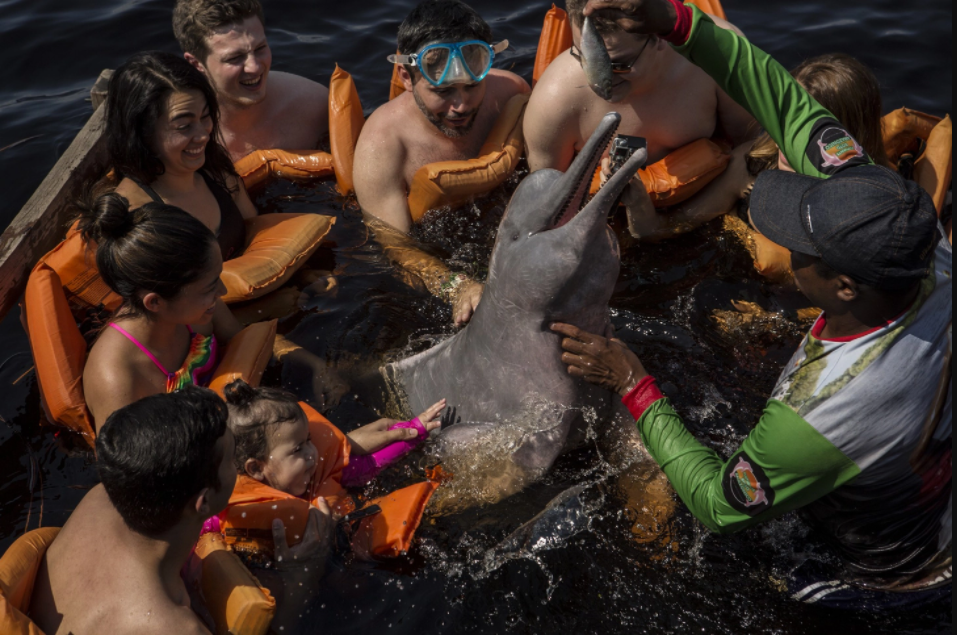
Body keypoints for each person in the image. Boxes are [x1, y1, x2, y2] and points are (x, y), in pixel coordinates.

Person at [553, 0, 951, 610]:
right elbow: (784, 101)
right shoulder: (912, 237)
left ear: (845, 287)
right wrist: (672, 20)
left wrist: (633, 383)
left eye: (800, 244)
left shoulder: (823, 414)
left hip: (878, 573)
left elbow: (720, 507)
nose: (787, 247)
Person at [27, 387, 331, 634]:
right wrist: (303, 577)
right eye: (231, 459)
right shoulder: (175, 627)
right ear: (204, 502)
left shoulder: (98, 500)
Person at [80, 193, 345, 430]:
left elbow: (241, 338)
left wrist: (314, 364)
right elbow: (132, 474)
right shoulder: (117, 379)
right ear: (155, 302)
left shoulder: (193, 309)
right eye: (209, 287)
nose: (221, 291)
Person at [353, 0, 530, 326]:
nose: (461, 105)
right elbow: (397, 250)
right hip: (437, 252)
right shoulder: (382, 145)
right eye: (444, 91)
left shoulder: (509, 93)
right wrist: (456, 287)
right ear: (406, 76)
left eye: (473, 86)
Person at [523, 0, 755, 219]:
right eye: (585, 58)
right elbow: (544, 209)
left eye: (618, 65)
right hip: (607, 220)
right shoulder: (554, 102)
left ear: (661, 35)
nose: (596, 79)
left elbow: (750, 148)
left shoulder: (717, 56)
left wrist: (673, 225)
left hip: (707, 204)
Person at [625, 52, 892, 241]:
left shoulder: (875, 195)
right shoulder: (752, 164)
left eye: (810, 133)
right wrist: (637, 202)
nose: (786, 140)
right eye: (783, 120)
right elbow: (667, 228)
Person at [109, 51, 257, 261]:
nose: (203, 136)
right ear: (143, 133)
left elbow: (259, 236)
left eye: (205, 117)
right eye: (184, 126)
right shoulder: (136, 220)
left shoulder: (217, 173)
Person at [223, 379, 445, 493]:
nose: (312, 452)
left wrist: (415, 430)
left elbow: (370, 463)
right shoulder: (241, 509)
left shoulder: (319, 470)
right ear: (256, 468)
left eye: (308, 440)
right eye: (297, 449)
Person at [173, 0, 329, 161]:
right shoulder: (180, 140)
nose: (254, 67)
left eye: (260, 48)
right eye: (235, 58)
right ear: (196, 63)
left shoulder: (314, 107)